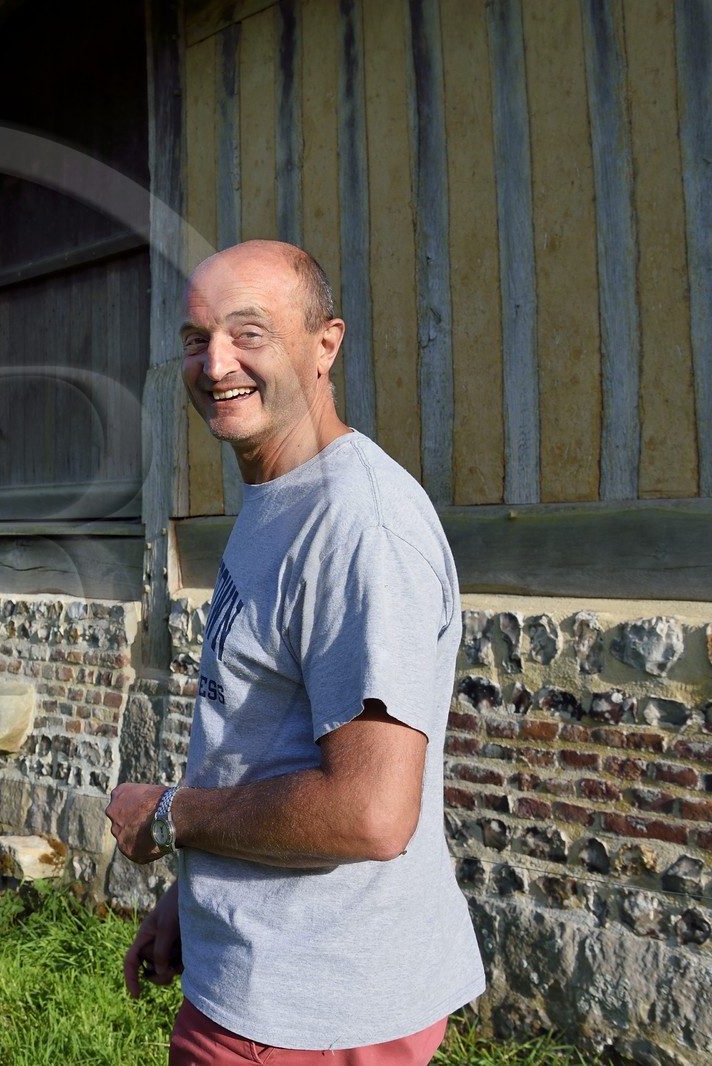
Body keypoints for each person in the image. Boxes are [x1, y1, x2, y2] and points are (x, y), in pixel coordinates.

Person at [104, 240, 484, 1063]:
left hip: (310, 1011)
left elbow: (373, 813)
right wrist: (193, 895)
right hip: (263, 977)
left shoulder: (361, 528)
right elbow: (262, 743)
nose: (215, 364)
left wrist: (171, 816)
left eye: (249, 334)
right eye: (196, 338)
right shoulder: (280, 494)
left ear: (325, 345)